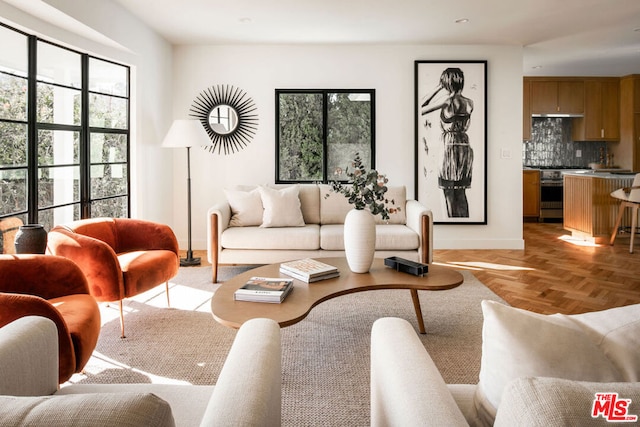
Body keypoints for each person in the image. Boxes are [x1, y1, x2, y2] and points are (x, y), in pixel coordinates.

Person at [420, 67, 474, 218]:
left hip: (449, 147)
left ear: (446, 83)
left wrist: (437, 88)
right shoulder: (469, 102)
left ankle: (452, 224)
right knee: (461, 192)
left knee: (449, 192)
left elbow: (420, 107)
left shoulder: (447, 101)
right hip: (464, 146)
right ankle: (464, 225)